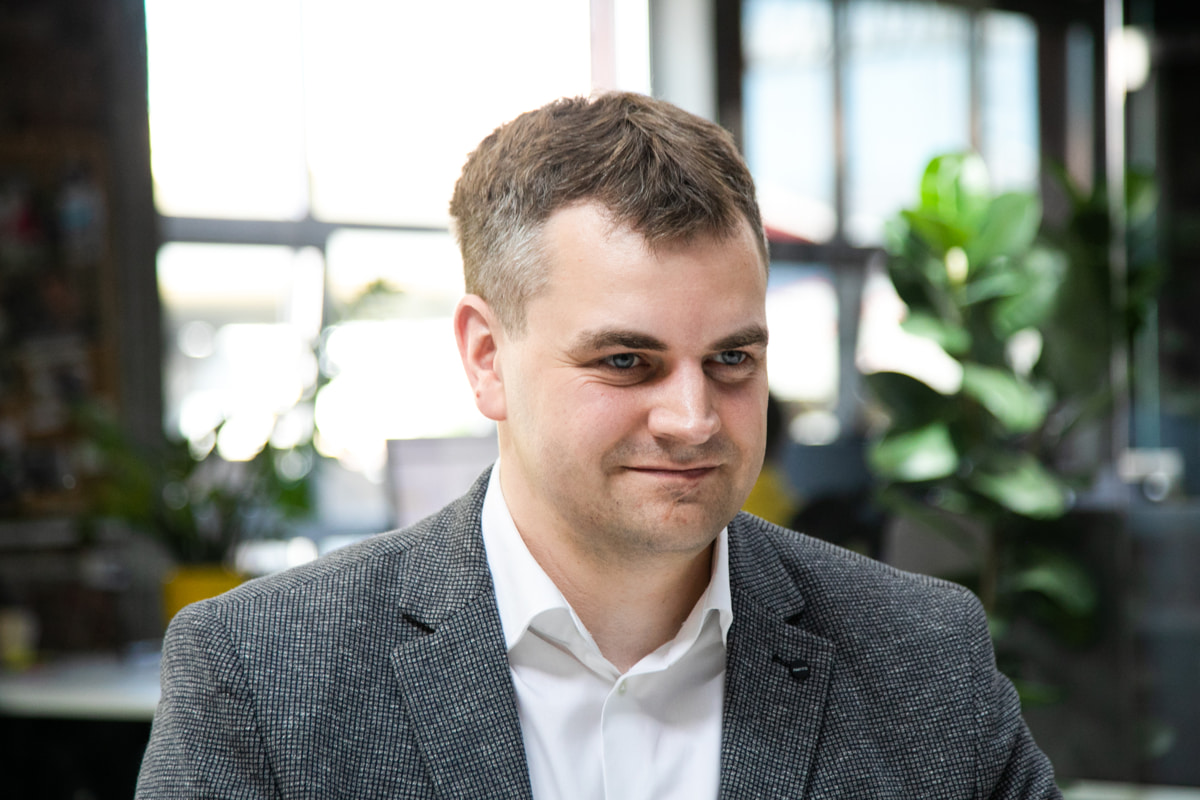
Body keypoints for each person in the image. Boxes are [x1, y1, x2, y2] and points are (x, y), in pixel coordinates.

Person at [136, 92, 1061, 799]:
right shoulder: (262, 675)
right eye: (626, 361)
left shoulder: (922, 659)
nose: (693, 418)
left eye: (732, 359)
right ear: (487, 357)